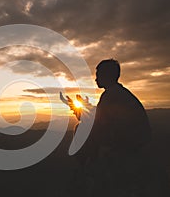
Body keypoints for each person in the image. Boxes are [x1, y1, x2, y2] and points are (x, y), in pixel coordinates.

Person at [61, 59, 163, 196]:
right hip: (136, 139)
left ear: (106, 75)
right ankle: (90, 165)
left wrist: (75, 108)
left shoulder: (111, 95)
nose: (95, 78)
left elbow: (96, 121)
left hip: (127, 141)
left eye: (98, 74)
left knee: (81, 129)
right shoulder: (119, 93)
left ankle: (87, 166)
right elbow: (101, 116)